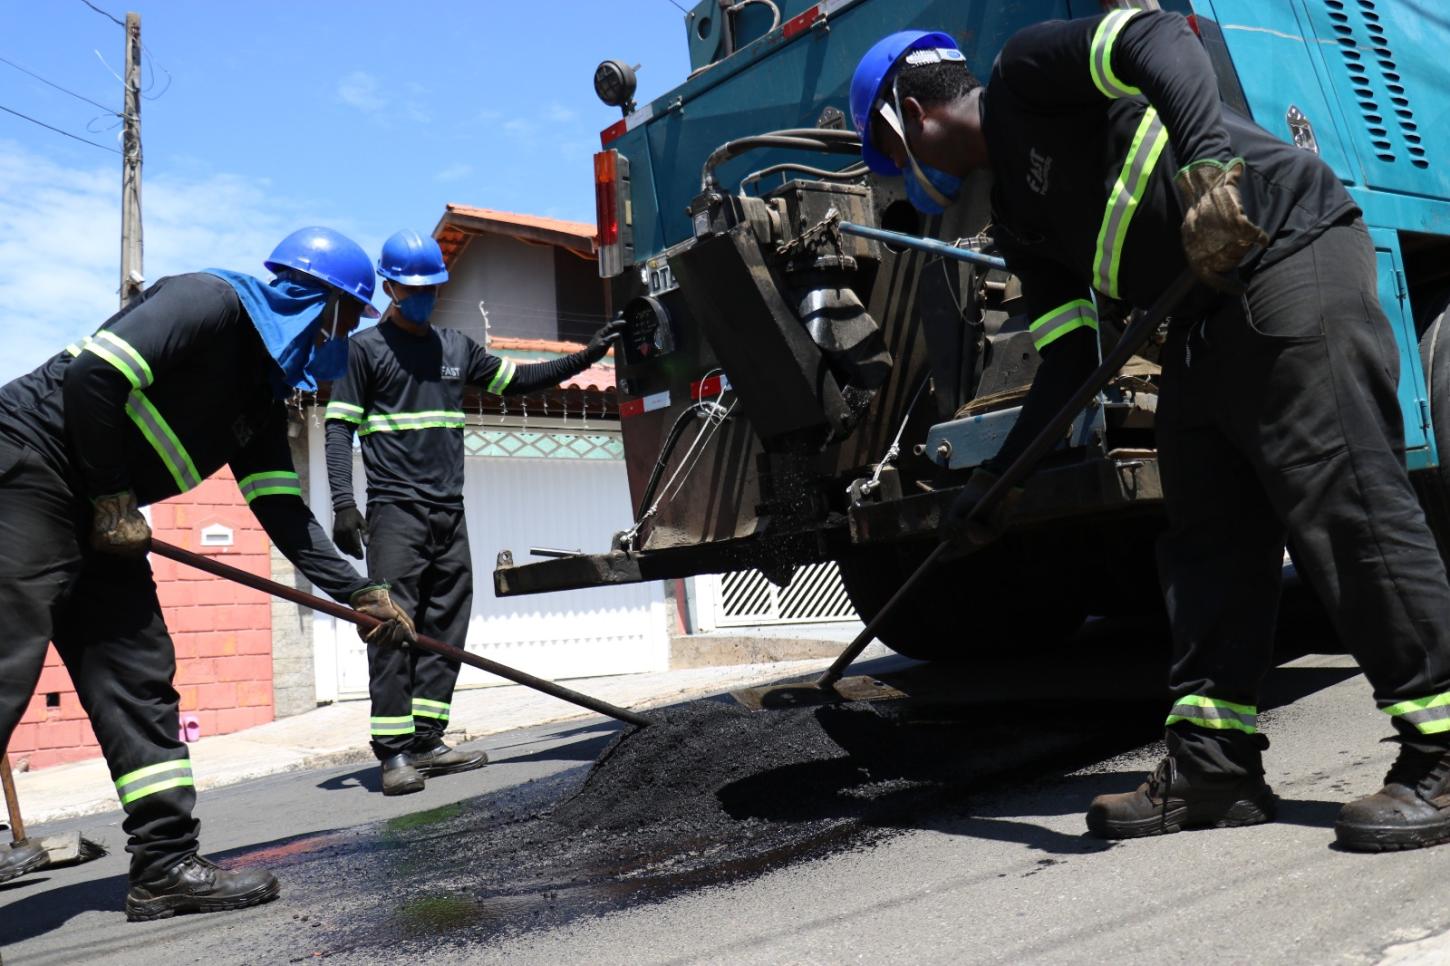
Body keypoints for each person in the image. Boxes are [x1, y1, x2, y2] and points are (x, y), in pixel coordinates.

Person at [850, 12, 1450, 851]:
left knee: (1341, 496)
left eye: (892, 164)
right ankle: (1215, 767)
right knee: (1205, 538)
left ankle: (1441, 749)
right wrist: (996, 488)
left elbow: (1162, 38)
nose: (909, 185)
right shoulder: (1023, 223)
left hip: (1285, 249)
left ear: (908, 118)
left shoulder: (1027, 73)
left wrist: (1209, 168)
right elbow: (1068, 369)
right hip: (1206, 315)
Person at [0, 226, 416, 920]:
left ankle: (163, 865)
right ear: (321, 301)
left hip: (108, 514)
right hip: (29, 472)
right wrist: (110, 498)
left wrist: (357, 588)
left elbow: (284, 512)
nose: (342, 338)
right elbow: (93, 376)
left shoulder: (259, 402)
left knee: (138, 676)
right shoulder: (209, 301)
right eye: (349, 318)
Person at [324, 229, 625, 796]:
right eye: (412, 288)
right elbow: (338, 429)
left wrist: (589, 355)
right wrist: (343, 504)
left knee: (446, 625)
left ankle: (427, 740)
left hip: (448, 513)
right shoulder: (364, 351)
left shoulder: (456, 348)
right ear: (389, 287)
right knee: (391, 628)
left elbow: (519, 381)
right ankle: (391, 755)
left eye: (431, 288)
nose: (424, 297)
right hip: (395, 514)